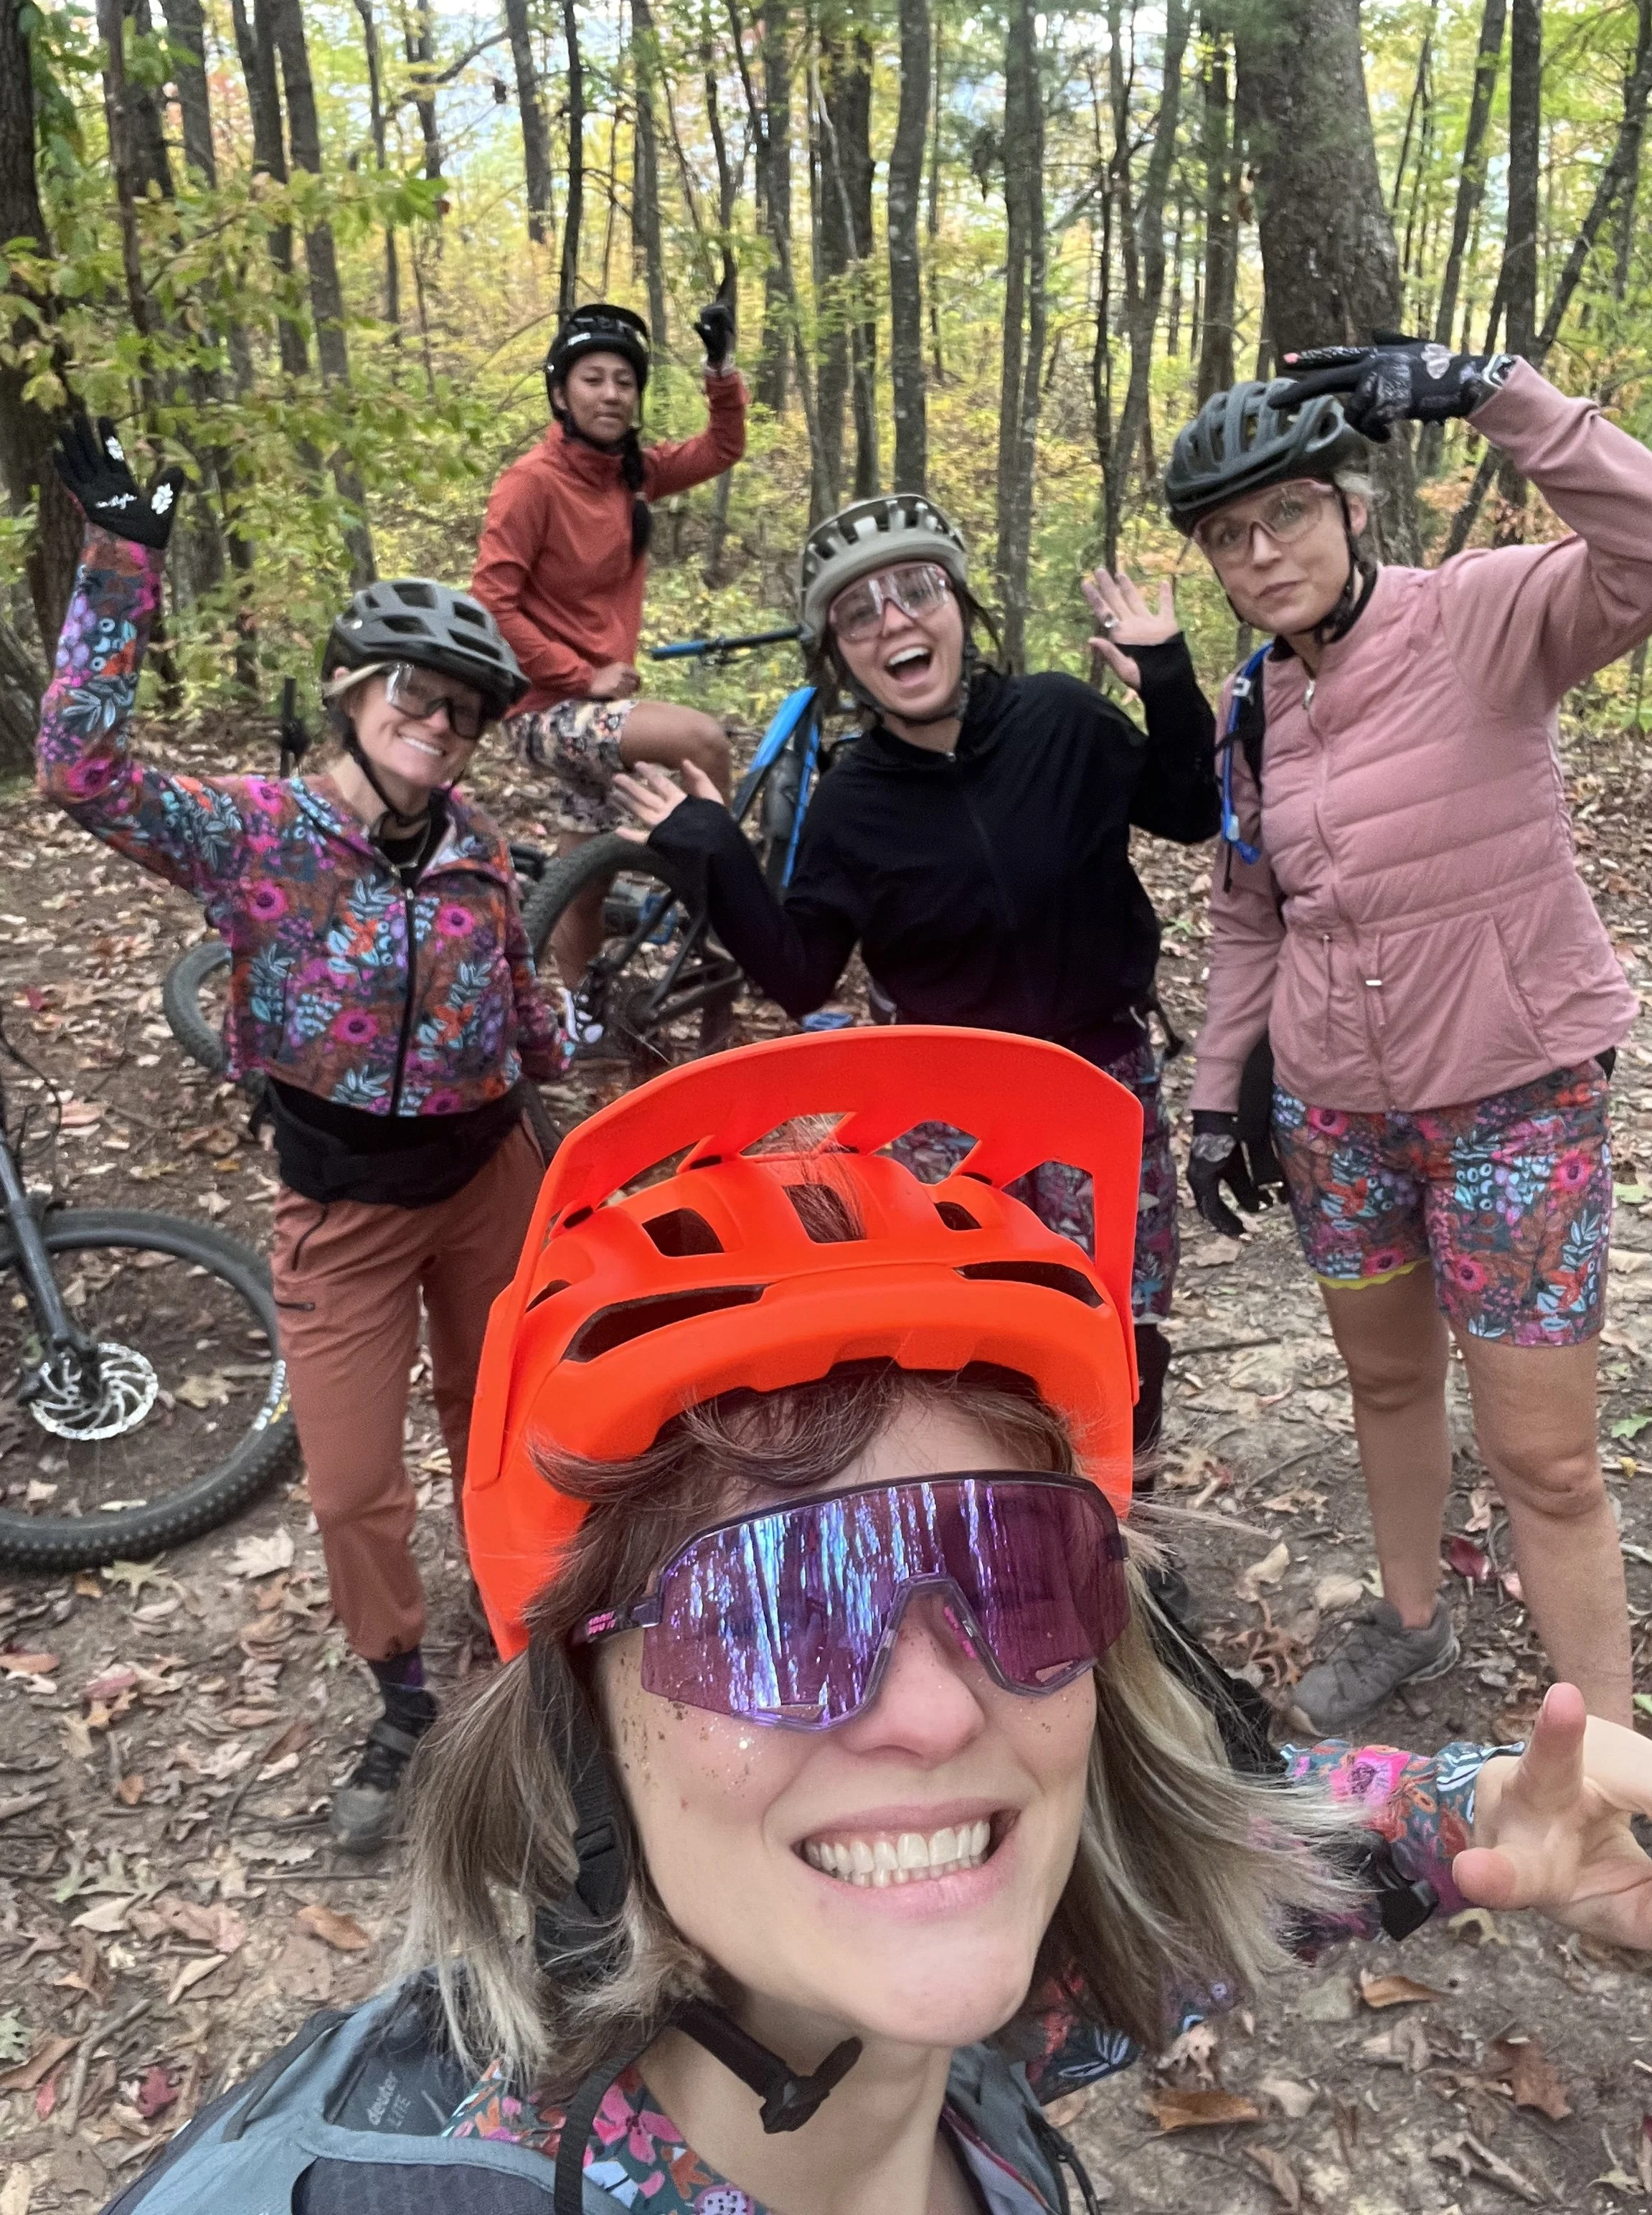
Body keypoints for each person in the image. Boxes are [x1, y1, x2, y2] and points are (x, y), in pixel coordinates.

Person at [99, 1031, 1652, 2215]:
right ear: (574, 1707)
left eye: (1016, 1572)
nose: (931, 1711)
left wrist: (1478, 1815)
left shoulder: (960, 2020)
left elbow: (1189, 1904)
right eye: (774, 1613)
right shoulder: (355, 2179)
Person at [40, 413, 567, 1853]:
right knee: (348, 1481)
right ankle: (404, 1692)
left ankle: (529, 1649)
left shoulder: (480, 845)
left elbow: (517, 985)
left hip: (490, 1179)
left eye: (465, 706)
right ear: (351, 691)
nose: (441, 721)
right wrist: (119, 563)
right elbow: (79, 775)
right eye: (416, 691)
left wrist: (558, 1052)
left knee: (505, 1429)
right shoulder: (255, 831)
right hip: (338, 1204)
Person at [1169, 336, 1652, 1734]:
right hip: (1339, 1115)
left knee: (1550, 1460)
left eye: (1287, 514)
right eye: (1228, 536)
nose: (1261, 553)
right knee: (1387, 1378)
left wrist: (1493, 391)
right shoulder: (1251, 710)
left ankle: (1608, 1756)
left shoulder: (1483, 615)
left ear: (1351, 506)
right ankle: (1408, 1619)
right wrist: (1221, 1100)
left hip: (1517, 1099)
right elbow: (1250, 918)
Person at [613, 491, 1219, 1470]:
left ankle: (1123, 1538)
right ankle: (1005, 1534)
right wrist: (716, 853)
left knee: (1124, 1325)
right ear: (841, 654)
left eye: (915, 589)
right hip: (944, 1109)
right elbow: (799, 968)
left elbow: (1192, 811)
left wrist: (1169, 680)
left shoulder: (1062, 720)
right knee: (972, 1339)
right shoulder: (853, 803)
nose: (893, 618)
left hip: (1098, 1079)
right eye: (859, 611)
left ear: (960, 607)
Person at [471, 302, 747, 985]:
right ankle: (730, 914)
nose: (611, 394)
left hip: (590, 716)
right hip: (543, 709)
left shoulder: (630, 474)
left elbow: (722, 447)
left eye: (625, 381)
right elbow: (490, 601)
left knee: (583, 877)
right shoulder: (530, 483)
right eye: (593, 378)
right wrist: (577, 673)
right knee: (704, 742)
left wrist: (720, 370)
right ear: (561, 392)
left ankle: (581, 1013)